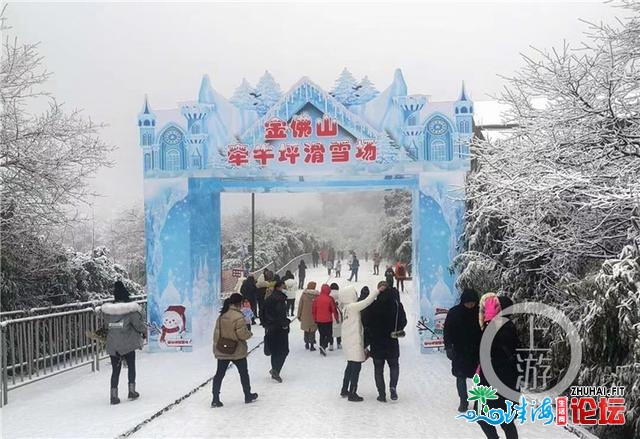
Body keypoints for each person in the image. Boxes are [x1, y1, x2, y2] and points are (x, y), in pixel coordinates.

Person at [475, 294, 520, 439]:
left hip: (502, 380)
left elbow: (492, 349)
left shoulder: (505, 328)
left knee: (503, 420)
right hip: (494, 380)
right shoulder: (498, 325)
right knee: (487, 417)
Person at [101, 281, 146, 405]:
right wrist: (144, 331)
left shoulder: (108, 312)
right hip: (127, 344)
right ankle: (132, 391)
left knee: (115, 370)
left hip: (113, 344)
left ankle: (113, 396)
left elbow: (106, 326)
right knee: (131, 366)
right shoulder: (130, 310)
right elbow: (138, 325)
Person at [362, 281, 407, 402]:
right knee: (394, 365)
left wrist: (368, 337)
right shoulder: (397, 305)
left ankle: (381, 394)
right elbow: (403, 321)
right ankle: (393, 387)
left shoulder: (373, 305)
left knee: (378, 369)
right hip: (392, 341)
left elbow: (365, 322)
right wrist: (397, 329)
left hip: (377, 342)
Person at [211, 293, 258, 407]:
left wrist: (216, 347)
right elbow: (242, 334)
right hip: (237, 350)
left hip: (222, 349)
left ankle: (215, 398)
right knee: (243, 373)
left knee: (219, 374)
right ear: (239, 303)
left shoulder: (222, 315)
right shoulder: (238, 317)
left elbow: (216, 333)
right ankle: (247, 395)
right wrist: (249, 334)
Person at [338, 285, 380, 401]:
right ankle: (352, 393)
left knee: (350, 366)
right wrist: (377, 291)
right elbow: (366, 302)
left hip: (348, 341)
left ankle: (344, 389)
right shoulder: (352, 307)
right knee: (356, 368)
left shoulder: (345, 308)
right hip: (354, 342)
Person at [443, 288, 482, 412]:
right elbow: (447, 330)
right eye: (467, 302)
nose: (470, 305)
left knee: (479, 378)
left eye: (472, 302)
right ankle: (463, 401)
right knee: (460, 376)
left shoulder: (481, 313)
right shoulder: (454, 312)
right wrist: (448, 346)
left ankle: (478, 402)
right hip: (459, 350)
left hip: (477, 350)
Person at [262, 280, 290, 383]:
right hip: (280, 328)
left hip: (270, 327)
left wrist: (265, 324)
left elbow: (262, 311)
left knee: (274, 350)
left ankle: (274, 369)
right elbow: (280, 314)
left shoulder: (268, 299)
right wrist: (285, 323)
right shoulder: (280, 299)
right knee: (284, 350)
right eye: (283, 286)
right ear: (279, 287)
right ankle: (276, 370)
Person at [312, 284, 339, 356]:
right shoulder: (330, 299)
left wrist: (315, 319)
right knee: (329, 334)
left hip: (319, 320)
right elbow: (334, 310)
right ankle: (324, 346)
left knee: (322, 334)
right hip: (328, 320)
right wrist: (337, 318)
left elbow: (314, 310)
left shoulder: (316, 299)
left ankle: (322, 348)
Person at [297, 281, 319, 351]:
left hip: (305, 315)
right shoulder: (317, 295)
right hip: (314, 315)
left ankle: (306, 343)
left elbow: (300, 305)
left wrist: (299, 315)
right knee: (312, 330)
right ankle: (312, 344)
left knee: (306, 330)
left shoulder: (304, 295)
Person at [329, 283, 343, 351]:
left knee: (331, 330)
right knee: (339, 329)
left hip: (330, 314)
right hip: (338, 314)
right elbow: (343, 305)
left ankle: (331, 344)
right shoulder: (340, 294)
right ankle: (339, 343)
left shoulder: (328, 294)